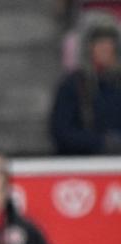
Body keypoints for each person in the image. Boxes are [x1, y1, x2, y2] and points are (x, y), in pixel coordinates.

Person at [50, 10, 121, 155]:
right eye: (99, 43)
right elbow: (62, 132)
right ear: (88, 48)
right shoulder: (73, 85)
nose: (105, 48)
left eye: (110, 43)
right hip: (85, 165)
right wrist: (101, 142)